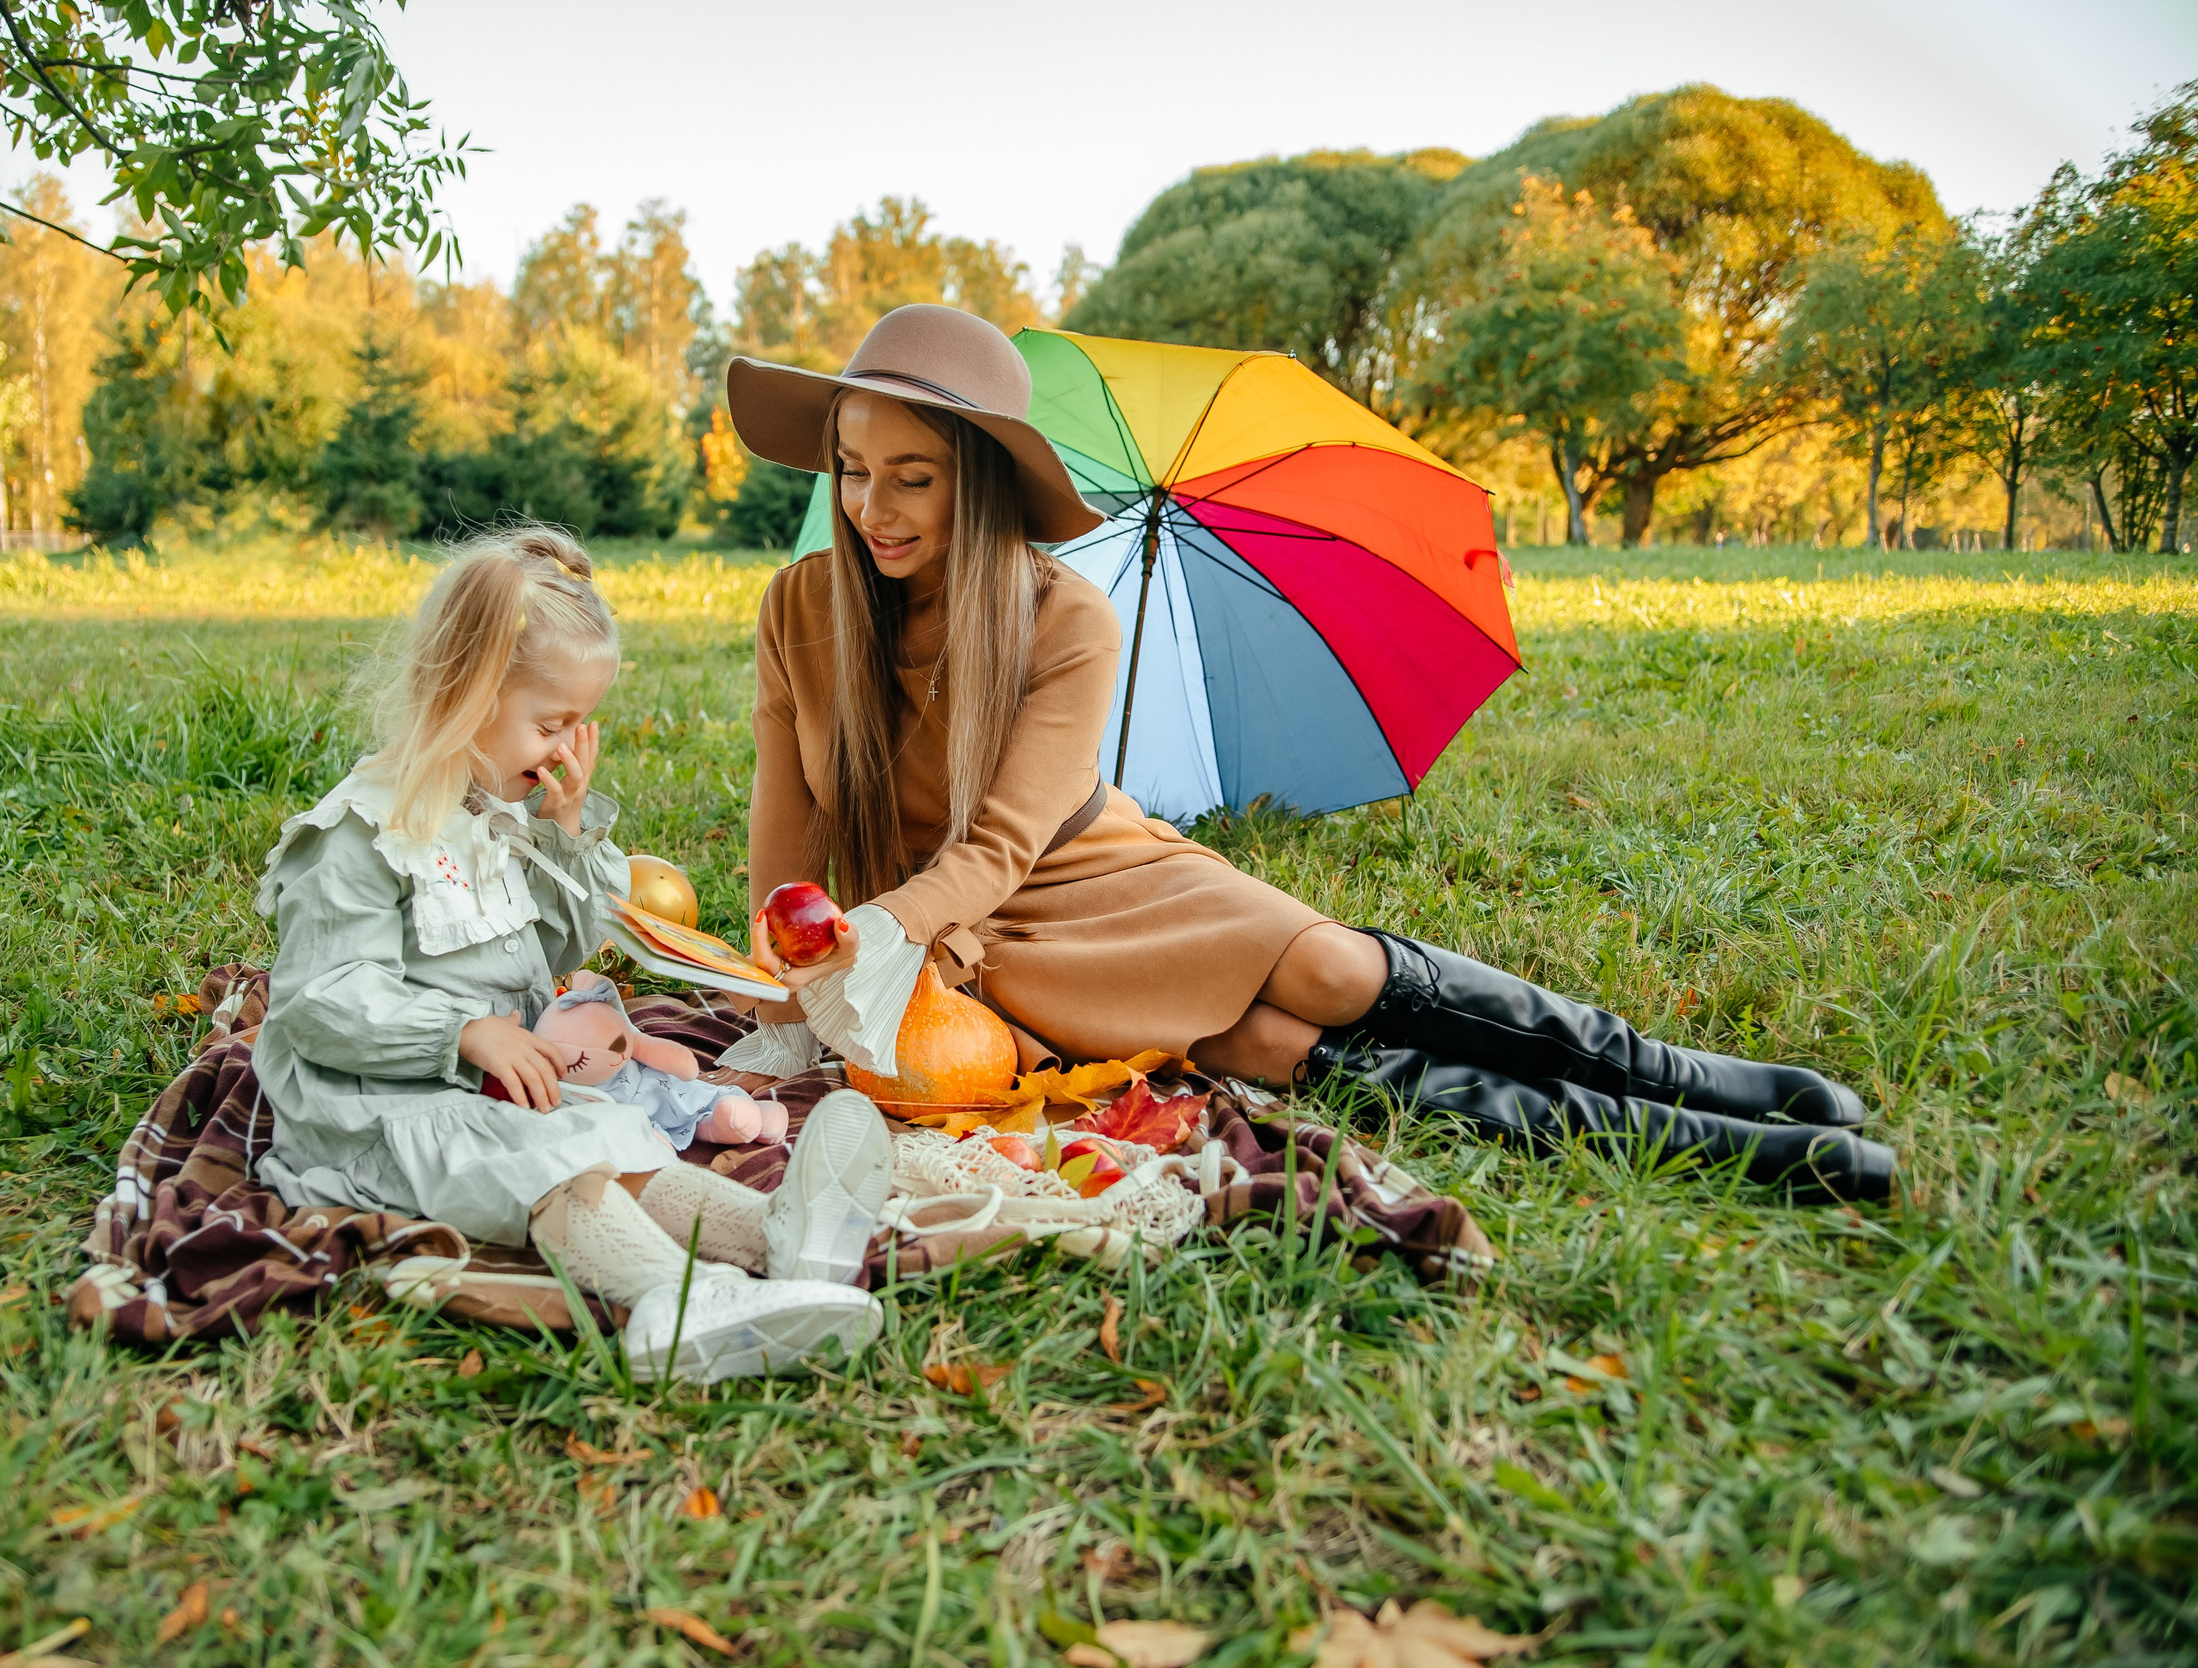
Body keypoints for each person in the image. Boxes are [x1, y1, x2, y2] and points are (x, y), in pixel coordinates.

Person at [719, 305, 1893, 1203]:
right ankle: (1682, 1143)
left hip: (1078, 870)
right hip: (957, 942)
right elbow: (788, 832)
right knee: (1271, 1046)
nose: (872, 507)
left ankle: (1670, 1075)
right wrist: (790, 965)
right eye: (853, 470)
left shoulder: (1063, 615)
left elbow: (1006, 841)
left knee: (1328, 973)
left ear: (976, 481)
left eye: (912, 478)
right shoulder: (799, 608)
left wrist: (883, 926)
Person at [250, 526, 896, 1379]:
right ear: (467, 693)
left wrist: (563, 836)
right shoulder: (363, 834)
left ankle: (780, 1239)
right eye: (550, 723)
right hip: (380, 1111)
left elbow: (555, 947)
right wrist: (462, 1032)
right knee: (552, 1163)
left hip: (491, 1090)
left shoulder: (496, 817)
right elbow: (319, 999)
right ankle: (674, 1300)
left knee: (610, 1133)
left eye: (578, 725)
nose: (566, 746)